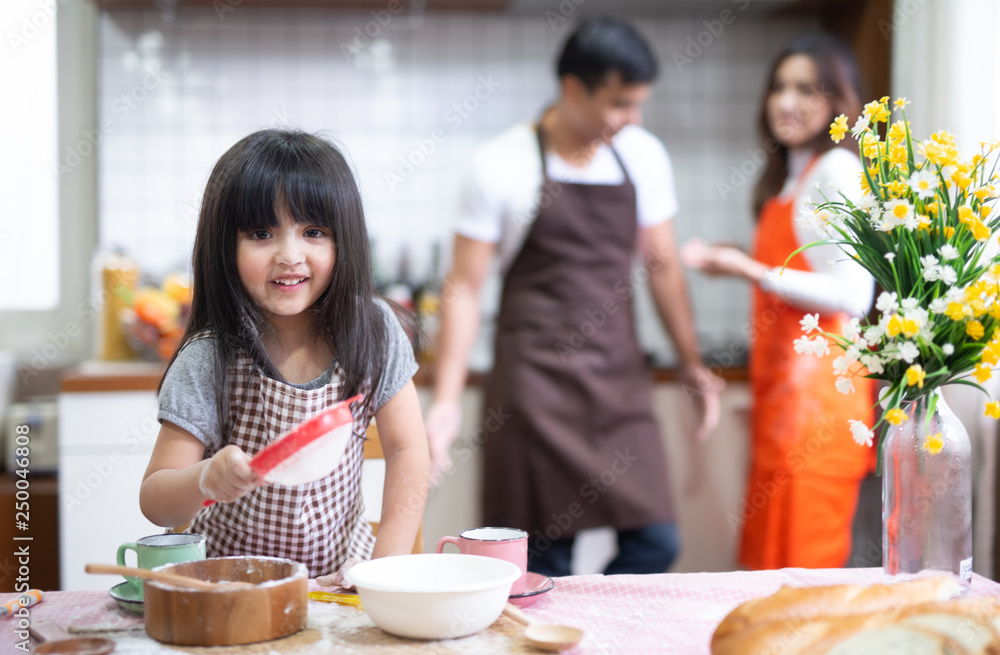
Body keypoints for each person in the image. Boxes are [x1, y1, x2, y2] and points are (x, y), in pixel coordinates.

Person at [424, 17, 722, 578]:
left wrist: (691, 363)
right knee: (542, 560)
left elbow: (661, 267)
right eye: (618, 104)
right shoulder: (502, 163)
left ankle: (603, 639)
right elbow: (464, 287)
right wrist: (444, 399)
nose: (631, 119)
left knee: (656, 541)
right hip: (534, 390)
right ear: (572, 89)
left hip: (617, 384)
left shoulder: (642, 155)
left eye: (638, 104)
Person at [139, 129, 428, 579]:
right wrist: (204, 479)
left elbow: (408, 449)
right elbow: (155, 501)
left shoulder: (372, 330)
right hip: (234, 592)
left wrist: (384, 570)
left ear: (344, 240)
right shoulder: (209, 357)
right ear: (225, 246)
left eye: (313, 231)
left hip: (339, 584)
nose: (290, 255)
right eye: (261, 233)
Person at [682, 33, 875, 569]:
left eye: (808, 89)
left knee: (798, 588)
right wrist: (744, 262)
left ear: (839, 102)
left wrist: (752, 270)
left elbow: (853, 295)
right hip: (784, 410)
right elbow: (805, 270)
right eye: (780, 87)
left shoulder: (837, 171)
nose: (787, 102)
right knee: (765, 577)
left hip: (818, 414)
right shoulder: (791, 179)